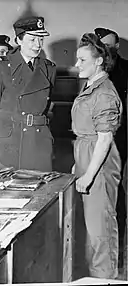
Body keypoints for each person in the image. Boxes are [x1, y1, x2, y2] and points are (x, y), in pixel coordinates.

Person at [72, 33, 122, 278]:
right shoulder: (92, 85)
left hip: (98, 163)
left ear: (99, 61)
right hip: (87, 156)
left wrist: (89, 175)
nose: (77, 65)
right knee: (91, 229)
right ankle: (94, 276)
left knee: (100, 228)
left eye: (82, 60)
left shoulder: (103, 93)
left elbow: (104, 139)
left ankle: (105, 278)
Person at [0, 16, 56, 171]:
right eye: (32, 40)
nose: (38, 45)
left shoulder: (49, 68)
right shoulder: (1, 67)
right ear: (19, 40)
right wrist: (12, 124)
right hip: (9, 139)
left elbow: (46, 105)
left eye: (41, 39)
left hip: (38, 138)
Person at [94, 27, 128, 269]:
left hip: (122, 135)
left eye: (113, 46)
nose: (109, 50)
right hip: (97, 135)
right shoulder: (94, 67)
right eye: (104, 46)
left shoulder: (126, 67)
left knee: (115, 188)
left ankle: (116, 250)